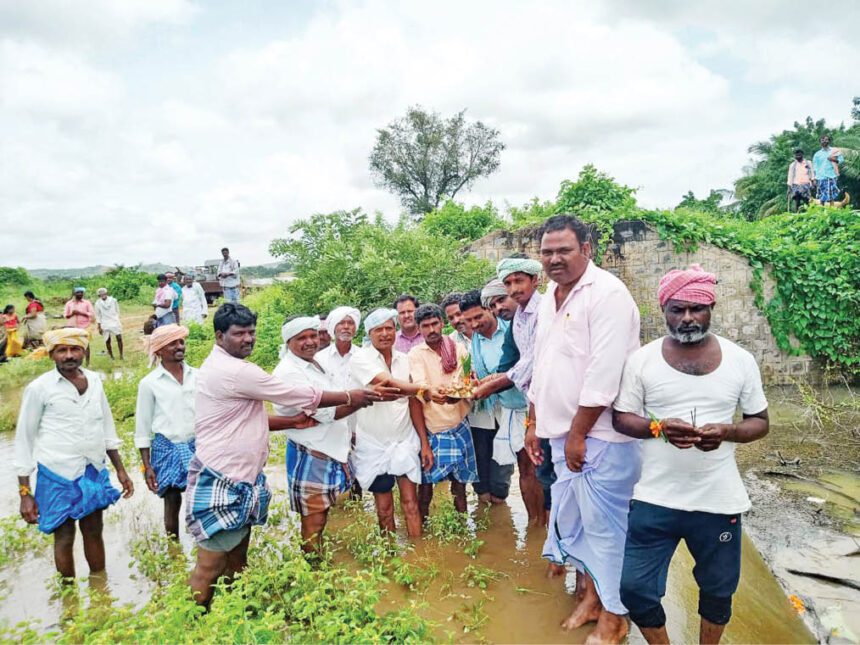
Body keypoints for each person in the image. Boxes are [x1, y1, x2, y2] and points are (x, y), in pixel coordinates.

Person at [614, 264, 769, 645]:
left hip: (717, 499)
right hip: (654, 496)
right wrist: (658, 428)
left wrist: (728, 432)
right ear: (663, 310)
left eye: (696, 309)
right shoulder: (642, 360)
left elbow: (760, 422)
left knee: (718, 594)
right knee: (635, 589)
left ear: (710, 309)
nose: (686, 318)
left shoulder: (740, 360)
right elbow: (621, 418)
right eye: (677, 310)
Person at [187, 304, 381, 606]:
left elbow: (248, 418)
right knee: (209, 565)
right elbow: (298, 395)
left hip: (243, 476)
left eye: (251, 332)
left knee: (237, 554)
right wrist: (350, 397)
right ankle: (193, 625)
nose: (247, 339)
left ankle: (233, 613)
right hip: (222, 476)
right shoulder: (236, 371)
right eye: (239, 334)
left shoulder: (230, 367)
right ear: (219, 335)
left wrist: (290, 422)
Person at [524, 215, 641, 643]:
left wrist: (577, 434)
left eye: (564, 250)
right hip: (561, 436)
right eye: (547, 252)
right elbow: (542, 366)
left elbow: (603, 374)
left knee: (608, 532)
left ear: (586, 250)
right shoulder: (550, 299)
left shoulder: (607, 294)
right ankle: (592, 599)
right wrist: (534, 423)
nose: (554, 259)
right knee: (578, 525)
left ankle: (616, 617)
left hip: (600, 438)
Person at [14, 328, 134, 579]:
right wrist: (25, 493)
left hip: (93, 469)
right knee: (64, 536)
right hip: (57, 472)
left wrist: (121, 470)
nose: (69, 355)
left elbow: (107, 427)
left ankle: (100, 587)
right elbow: (24, 439)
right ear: (52, 355)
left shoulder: (95, 381)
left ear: (84, 351)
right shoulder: (39, 389)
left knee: (93, 530)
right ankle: (69, 597)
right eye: (62, 350)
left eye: (75, 349)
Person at [274, 315, 390, 554]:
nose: (309, 342)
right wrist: (363, 398)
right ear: (288, 342)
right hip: (311, 452)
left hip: (329, 449)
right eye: (301, 338)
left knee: (323, 513)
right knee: (314, 519)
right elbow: (326, 414)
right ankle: (313, 568)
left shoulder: (315, 363)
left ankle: (318, 564)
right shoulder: (288, 372)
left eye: (313, 336)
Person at [460, 289, 544, 524]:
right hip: (508, 408)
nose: (475, 324)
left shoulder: (512, 327)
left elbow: (522, 368)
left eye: (479, 317)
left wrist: (489, 385)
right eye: (469, 321)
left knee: (537, 467)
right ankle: (533, 525)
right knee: (524, 468)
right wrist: (477, 385)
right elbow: (488, 373)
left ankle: (543, 523)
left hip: (531, 406)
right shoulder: (476, 338)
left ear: (490, 310)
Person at [350, 308, 424, 537]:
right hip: (373, 444)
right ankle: (390, 556)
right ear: (369, 334)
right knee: (384, 509)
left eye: (389, 328)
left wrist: (424, 442)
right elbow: (390, 383)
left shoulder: (405, 359)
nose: (385, 334)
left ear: (396, 330)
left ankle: (418, 555)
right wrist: (425, 389)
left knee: (411, 503)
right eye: (378, 330)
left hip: (404, 440)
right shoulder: (360, 359)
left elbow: (413, 403)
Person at [408, 304, 478, 521]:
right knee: (426, 486)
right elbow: (419, 387)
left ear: (442, 323)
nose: (431, 330)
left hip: (459, 423)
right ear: (419, 329)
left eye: (435, 324)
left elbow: (466, 381)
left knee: (460, 485)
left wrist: (468, 386)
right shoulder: (416, 354)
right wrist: (430, 393)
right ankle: (423, 528)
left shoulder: (458, 349)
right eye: (426, 326)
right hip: (433, 428)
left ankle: (463, 527)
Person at [135, 325, 197, 539]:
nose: (179, 347)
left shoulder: (197, 376)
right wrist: (147, 466)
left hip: (196, 445)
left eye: (181, 342)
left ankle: (202, 547)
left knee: (200, 497)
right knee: (171, 499)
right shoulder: (149, 384)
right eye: (173, 343)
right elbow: (142, 428)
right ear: (159, 350)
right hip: (167, 447)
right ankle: (174, 547)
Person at [64, 287, 95, 366]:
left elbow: (91, 314)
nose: (80, 294)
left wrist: (80, 312)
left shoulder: (86, 303)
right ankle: (76, 362)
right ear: (74, 294)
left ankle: (88, 363)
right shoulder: (69, 303)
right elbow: (65, 315)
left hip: (85, 326)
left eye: (81, 293)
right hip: (72, 327)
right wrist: (72, 314)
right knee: (74, 345)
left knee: (86, 344)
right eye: (78, 293)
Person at [812, 134, 844, 206]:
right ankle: (822, 210)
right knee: (821, 195)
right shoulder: (817, 154)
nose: (824, 141)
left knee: (831, 195)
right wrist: (814, 178)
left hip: (831, 175)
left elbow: (841, 160)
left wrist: (834, 159)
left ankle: (831, 210)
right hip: (820, 176)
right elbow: (815, 167)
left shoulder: (835, 151)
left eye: (826, 140)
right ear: (820, 142)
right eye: (822, 140)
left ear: (829, 141)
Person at [94, 288, 124, 361]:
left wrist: (116, 319)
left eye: (104, 293)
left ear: (106, 293)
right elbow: (98, 315)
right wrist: (99, 326)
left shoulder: (113, 300)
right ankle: (111, 356)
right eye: (101, 294)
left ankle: (121, 355)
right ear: (99, 295)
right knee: (107, 340)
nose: (103, 295)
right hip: (105, 323)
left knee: (119, 338)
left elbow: (117, 311)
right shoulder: (97, 303)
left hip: (114, 321)